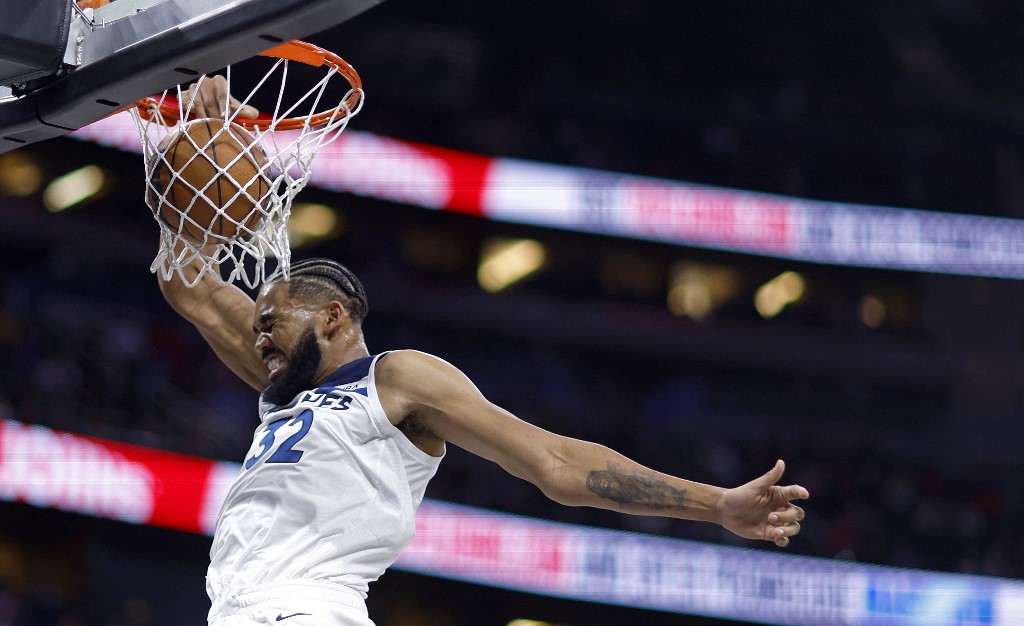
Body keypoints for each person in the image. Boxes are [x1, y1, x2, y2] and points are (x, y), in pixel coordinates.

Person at [160, 77, 810, 626]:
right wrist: (204, 133)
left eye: (273, 319)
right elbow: (186, 281)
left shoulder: (394, 380)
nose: (260, 334)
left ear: (333, 317)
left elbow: (554, 462)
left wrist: (716, 504)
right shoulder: (288, 393)